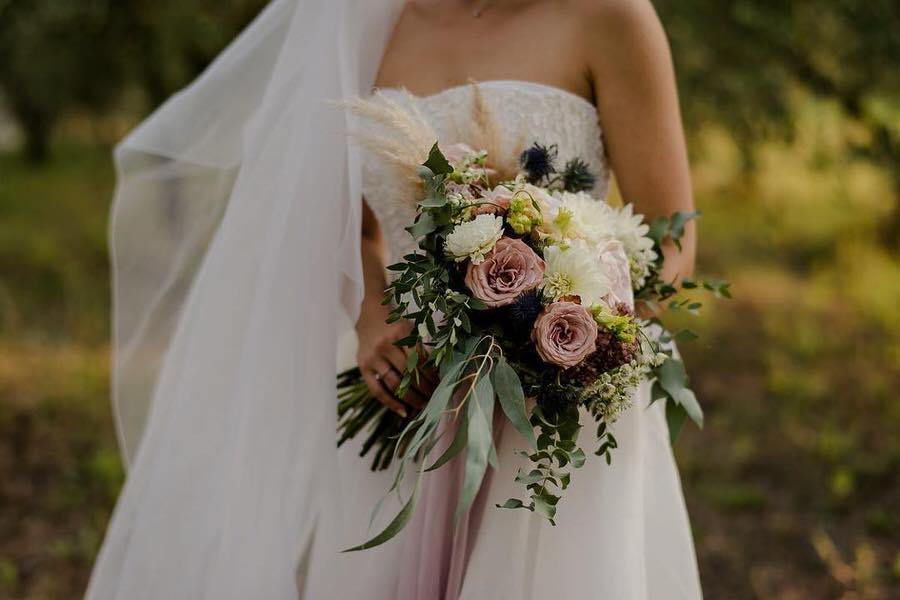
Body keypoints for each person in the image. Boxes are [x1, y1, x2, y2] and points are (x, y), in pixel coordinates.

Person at [87, 1, 701, 598]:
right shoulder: (360, 26)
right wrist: (372, 314)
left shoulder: (612, 16)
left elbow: (673, 237)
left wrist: (575, 332)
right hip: (412, 391)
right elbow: (343, 221)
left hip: (566, 409)